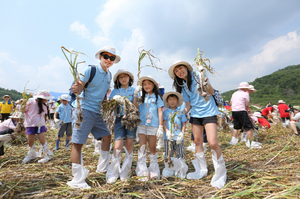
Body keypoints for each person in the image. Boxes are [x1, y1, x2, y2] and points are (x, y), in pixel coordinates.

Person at [67, 46, 120, 189]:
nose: (108, 60)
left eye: (112, 58)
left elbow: (103, 93)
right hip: (84, 109)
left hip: (96, 112)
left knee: (107, 136)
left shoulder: (109, 75)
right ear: (100, 57)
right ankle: (77, 179)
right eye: (106, 56)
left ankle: (102, 167)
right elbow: (79, 87)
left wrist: (106, 104)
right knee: (78, 143)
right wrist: (76, 89)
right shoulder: (91, 70)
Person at [169, 60, 226, 189]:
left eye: (181, 68)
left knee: (212, 142)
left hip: (209, 112)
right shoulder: (183, 85)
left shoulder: (198, 75)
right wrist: (178, 114)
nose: (179, 71)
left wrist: (205, 81)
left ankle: (220, 173)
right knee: (197, 141)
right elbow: (188, 105)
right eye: (176, 71)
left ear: (186, 68)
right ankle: (202, 170)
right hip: (195, 114)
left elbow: (211, 92)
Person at [105, 69, 136, 183]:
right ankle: (113, 171)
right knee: (118, 146)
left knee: (129, 145)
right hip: (119, 119)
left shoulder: (134, 90)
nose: (123, 79)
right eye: (121, 77)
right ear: (118, 80)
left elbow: (137, 106)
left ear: (130, 78)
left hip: (131, 120)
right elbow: (110, 106)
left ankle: (125, 171)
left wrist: (136, 97)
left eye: (125, 76)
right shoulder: (115, 91)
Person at [133, 76, 164, 181]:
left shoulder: (157, 97)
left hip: (153, 125)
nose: (146, 86)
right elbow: (135, 107)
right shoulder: (141, 96)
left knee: (152, 147)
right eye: (144, 84)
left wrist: (160, 126)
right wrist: (135, 94)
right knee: (142, 146)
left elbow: (160, 111)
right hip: (142, 124)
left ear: (153, 85)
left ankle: (154, 169)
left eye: (148, 84)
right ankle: (142, 170)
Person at [161, 91, 188, 178]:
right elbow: (164, 123)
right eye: (170, 100)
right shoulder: (165, 112)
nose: (172, 101)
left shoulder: (180, 112)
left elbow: (184, 123)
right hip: (168, 137)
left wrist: (182, 133)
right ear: (167, 102)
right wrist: (167, 131)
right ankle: (169, 169)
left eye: (174, 100)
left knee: (180, 153)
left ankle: (179, 169)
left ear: (177, 101)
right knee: (168, 153)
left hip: (178, 137)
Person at [23, 90, 54, 164]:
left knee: (42, 140)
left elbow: (43, 115)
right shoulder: (30, 103)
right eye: (46, 98)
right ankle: (31, 154)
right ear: (41, 98)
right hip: (30, 124)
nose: (47, 100)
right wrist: (23, 106)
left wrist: (44, 124)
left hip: (40, 125)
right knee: (30, 141)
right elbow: (24, 110)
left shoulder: (44, 106)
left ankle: (47, 154)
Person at [230, 82, 261, 148]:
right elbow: (247, 104)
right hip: (241, 110)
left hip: (234, 111)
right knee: (249, 127)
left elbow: (231, 102)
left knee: (236, 126)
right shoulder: (245, 93)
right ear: (245, 88)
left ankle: (233, 141)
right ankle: (250, 142)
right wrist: (246, 111)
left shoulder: (234, 93)